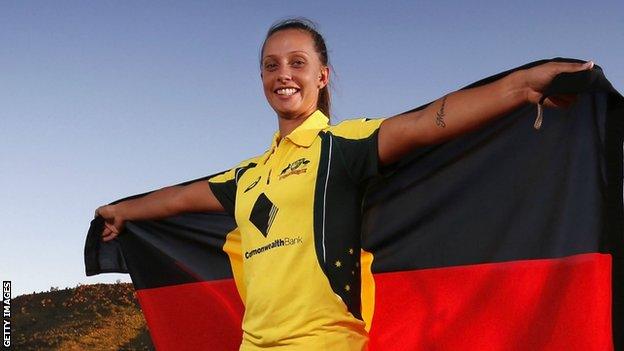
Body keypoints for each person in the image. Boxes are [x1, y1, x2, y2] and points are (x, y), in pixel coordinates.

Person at [95, 18, 594, 351]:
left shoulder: (345, 146)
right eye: (271, 65)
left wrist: (522, 86)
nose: (283, 74)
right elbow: (180, 199)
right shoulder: (247, 176)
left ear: (323, 76)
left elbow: (425, 123)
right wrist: (124, 211)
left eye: (297, 63)